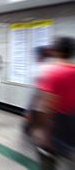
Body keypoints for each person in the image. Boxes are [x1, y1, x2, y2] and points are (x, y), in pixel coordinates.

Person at [32, 37, 75, 170]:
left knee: (47, 161)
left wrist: (40, 131)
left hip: (56, 125)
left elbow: (45, 106)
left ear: (55, 51)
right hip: (72, 121)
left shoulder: (52, 72)